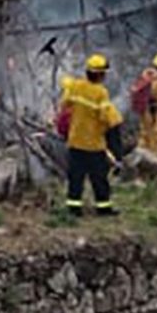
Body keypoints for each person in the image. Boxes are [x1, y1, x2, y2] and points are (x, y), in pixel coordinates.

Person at [59, 54, 123, 215]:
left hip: (75, 142)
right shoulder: (100, 93)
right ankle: (104, 208)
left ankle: (73, 208)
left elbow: (65, 103)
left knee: (76, 178)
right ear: (101, 74)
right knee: (99, 179)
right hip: (94, 145)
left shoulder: (77, 87)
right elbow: (108, 118)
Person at [129, 53, 157, 159]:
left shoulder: (146, 75)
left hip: (143, 111)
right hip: (152, 113)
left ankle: (138, 158)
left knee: (144, 135)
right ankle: (153, 161)